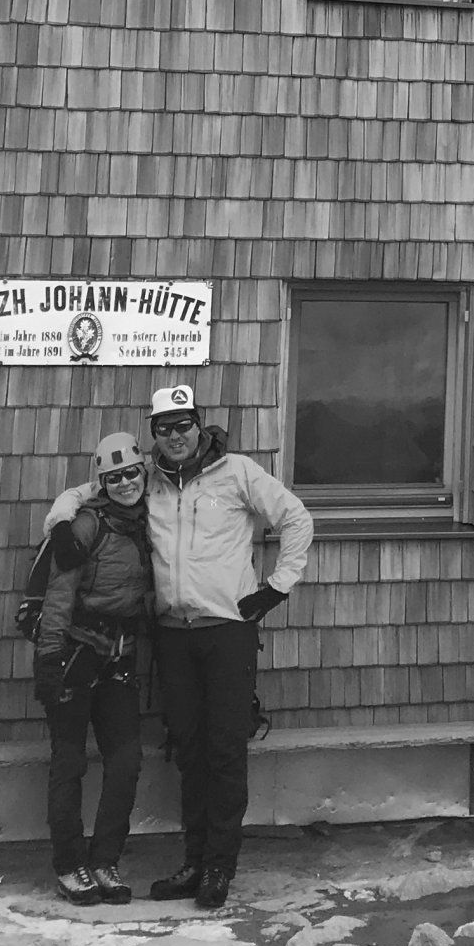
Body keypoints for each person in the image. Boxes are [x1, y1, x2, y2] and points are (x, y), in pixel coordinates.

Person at [143, 381, 312, 911]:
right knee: (187, 752)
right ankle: (194, 862)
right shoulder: (149, 482)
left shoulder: (236, 472)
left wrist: (276, 587)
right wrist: (67, 503)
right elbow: (95, 493)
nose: (176, 436)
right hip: (172, 635)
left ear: (200, 425)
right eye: (165, 428)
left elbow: (295, 518)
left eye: (184, 425)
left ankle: (220, 866)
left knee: (223, 750)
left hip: (226, 634)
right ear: (155, 434)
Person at [33, 432, 153, 905]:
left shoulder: (150, 521)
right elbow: (59, 594)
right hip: (74, 654)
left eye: (131, 473)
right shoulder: (86, 526)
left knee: (125, 761)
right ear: (102, 483)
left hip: (119, 657)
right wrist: (48, 657)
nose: (125, 483)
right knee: (70, 761)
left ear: (143, 472)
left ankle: (105, 860)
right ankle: (69, 865)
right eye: (114, 477)